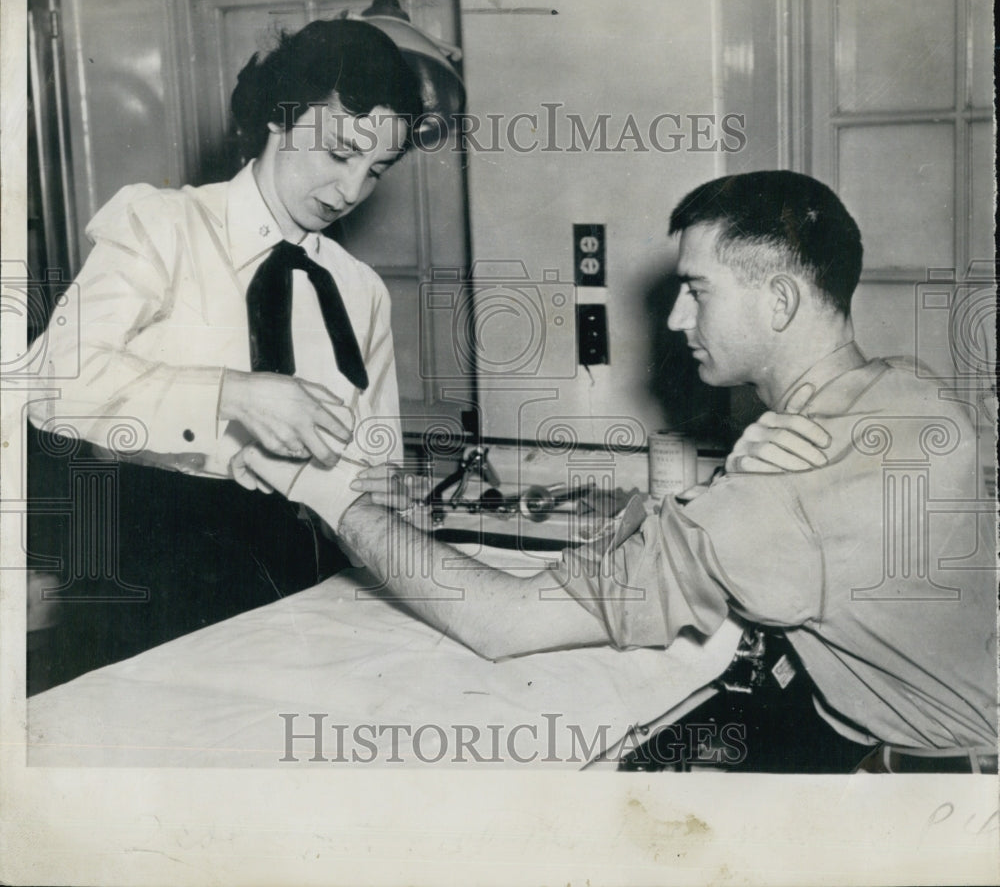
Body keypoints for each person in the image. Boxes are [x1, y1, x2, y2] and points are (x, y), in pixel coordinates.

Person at [237, 170, 997, 773]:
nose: (675, 320)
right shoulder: (908, 390)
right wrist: (729, 486)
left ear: (781, 299)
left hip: (923, 781)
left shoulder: (780, 492)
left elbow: (504, 622)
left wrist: (323, 491)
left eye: (696, 292)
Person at [26, 19, 424, 687]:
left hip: (306, 584)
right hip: (148, 581)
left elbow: (376, 460)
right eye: (339, 154)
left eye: (375, 169)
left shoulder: (361, 291)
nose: (352, 190)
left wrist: (380, 485)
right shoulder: (161, 227)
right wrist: (230, 394)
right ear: (280, 116)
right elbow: (47, 387)